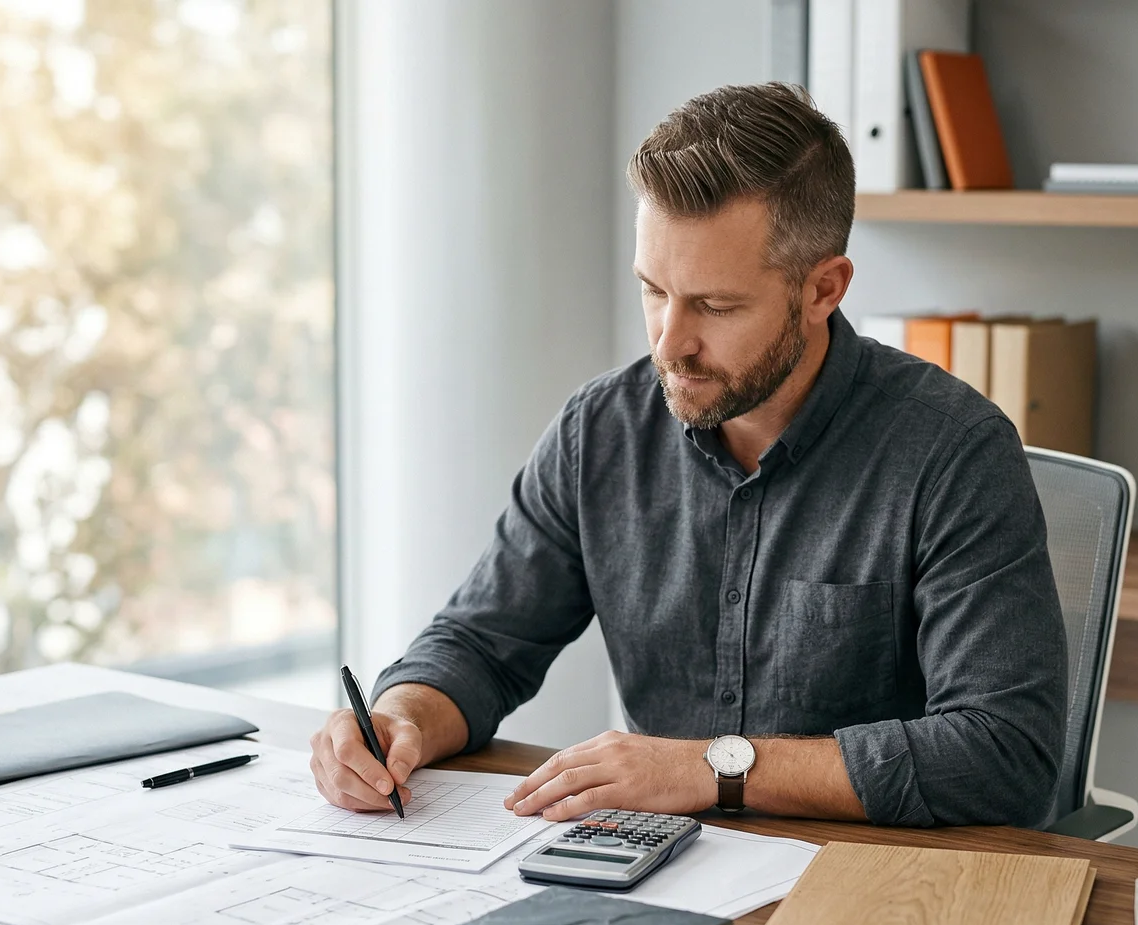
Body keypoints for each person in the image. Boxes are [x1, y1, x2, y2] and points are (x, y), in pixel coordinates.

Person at [309, 82, 1067, 828]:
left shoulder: (953, 453)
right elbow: (480, 644)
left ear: (823, 289)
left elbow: (1004, 756)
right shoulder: (599, 432)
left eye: (716, 305)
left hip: (875, 889)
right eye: (653, 290)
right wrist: (398, 718)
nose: (670, 345)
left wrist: (711, 768)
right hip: (664, 871)